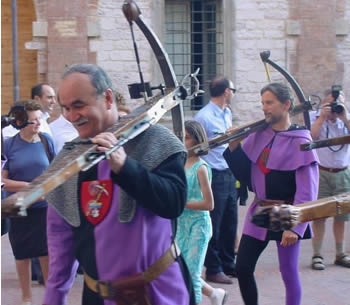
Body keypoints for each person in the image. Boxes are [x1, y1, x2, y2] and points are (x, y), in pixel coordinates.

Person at [42, 63, 194, 305]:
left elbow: (173, 203)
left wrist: (125, 167)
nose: (71, 116)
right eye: (66, 108)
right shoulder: (68, 161)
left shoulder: (156, 141)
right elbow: (60, 243)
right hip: (99, 296)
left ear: (108, 98)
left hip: (160, 292)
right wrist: (54, 299)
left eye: (79, 105)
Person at [223, 82, 319, 305]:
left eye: (269, 103)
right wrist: (234, 146)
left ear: (286, 105)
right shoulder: (259, 135)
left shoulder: (301, 140)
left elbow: (308, 190)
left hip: (286, 211)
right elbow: (245, 175)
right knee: (243, 267)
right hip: (261, 207)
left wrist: (295, 227)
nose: (264, 108)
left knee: (288, 271)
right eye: (262, 103)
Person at [2, 100, 55, 305]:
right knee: (21, 254)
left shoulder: (46, 141)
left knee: (46, 253)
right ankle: (26, 298)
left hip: (43, 207)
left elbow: (54, 172)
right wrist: (28, 186)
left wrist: (45, 189)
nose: (38, 124)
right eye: (32, 121)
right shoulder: (8, 145)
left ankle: (51, 298)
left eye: (39, 119)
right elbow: (2, 181)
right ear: (20, 122)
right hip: (18, 207)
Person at [176, 120, 227, 305]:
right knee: (182, 271)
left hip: (198, 226)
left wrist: (182, 204)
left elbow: (209, 203)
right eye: (181, 137)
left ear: (197, 141)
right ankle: (215, 294)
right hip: (180, 225)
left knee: (192, 275)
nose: (183, 141)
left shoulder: (201, 168)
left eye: (187, 138)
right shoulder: (179, 164)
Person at [194, 76, 238, 284]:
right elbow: (197, 147)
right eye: (233, 90)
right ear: (227, 92)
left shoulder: (226, 113)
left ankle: (229, 264)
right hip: (214, 174)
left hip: (229, 173)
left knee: (230, 222)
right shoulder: (203, 116)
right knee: (215, 224)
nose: (233, 94)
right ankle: (213, 268)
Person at [310, 89, 350, 270]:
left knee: (342, 216)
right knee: (319, 215)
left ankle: (340, 253)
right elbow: (311, 137)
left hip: (342, 173)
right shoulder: (314, 116)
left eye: (338, 104)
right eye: (331, 105)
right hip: (322, 172)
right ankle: (317, 254)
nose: (334, 109)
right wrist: (321, 118)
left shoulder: (345, 118)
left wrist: (345, 117)